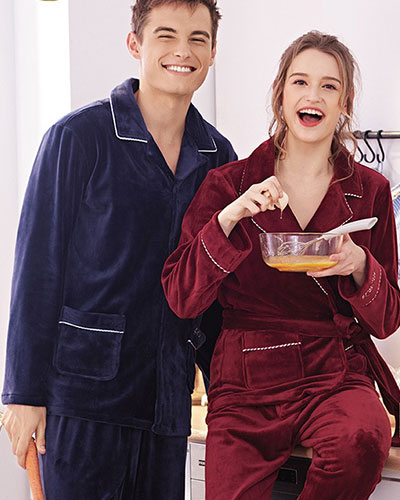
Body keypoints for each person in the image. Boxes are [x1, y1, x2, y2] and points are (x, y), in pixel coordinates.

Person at [1, 1, 236, 498]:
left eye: (198, 38)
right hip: (82, 401)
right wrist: (23, 393)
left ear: (214, 52)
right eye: (166, 35)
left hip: (167, 403)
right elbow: (37, 269)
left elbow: (217, 290)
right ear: (135, 43)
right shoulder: (77, 138)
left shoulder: (218, 157)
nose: (183, 51)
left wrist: (232, 393)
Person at [162, 31, 400, 499]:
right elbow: (180, 297)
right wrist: (228, 219)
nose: (314, 96)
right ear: (280, 93)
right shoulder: (229, 184)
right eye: (300, 82)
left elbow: (388, 318)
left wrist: (359, 264)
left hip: (335, 375)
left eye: (329, 86)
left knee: (361, 439)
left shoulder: (370, 191)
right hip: (247, 379)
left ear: (345, 102)